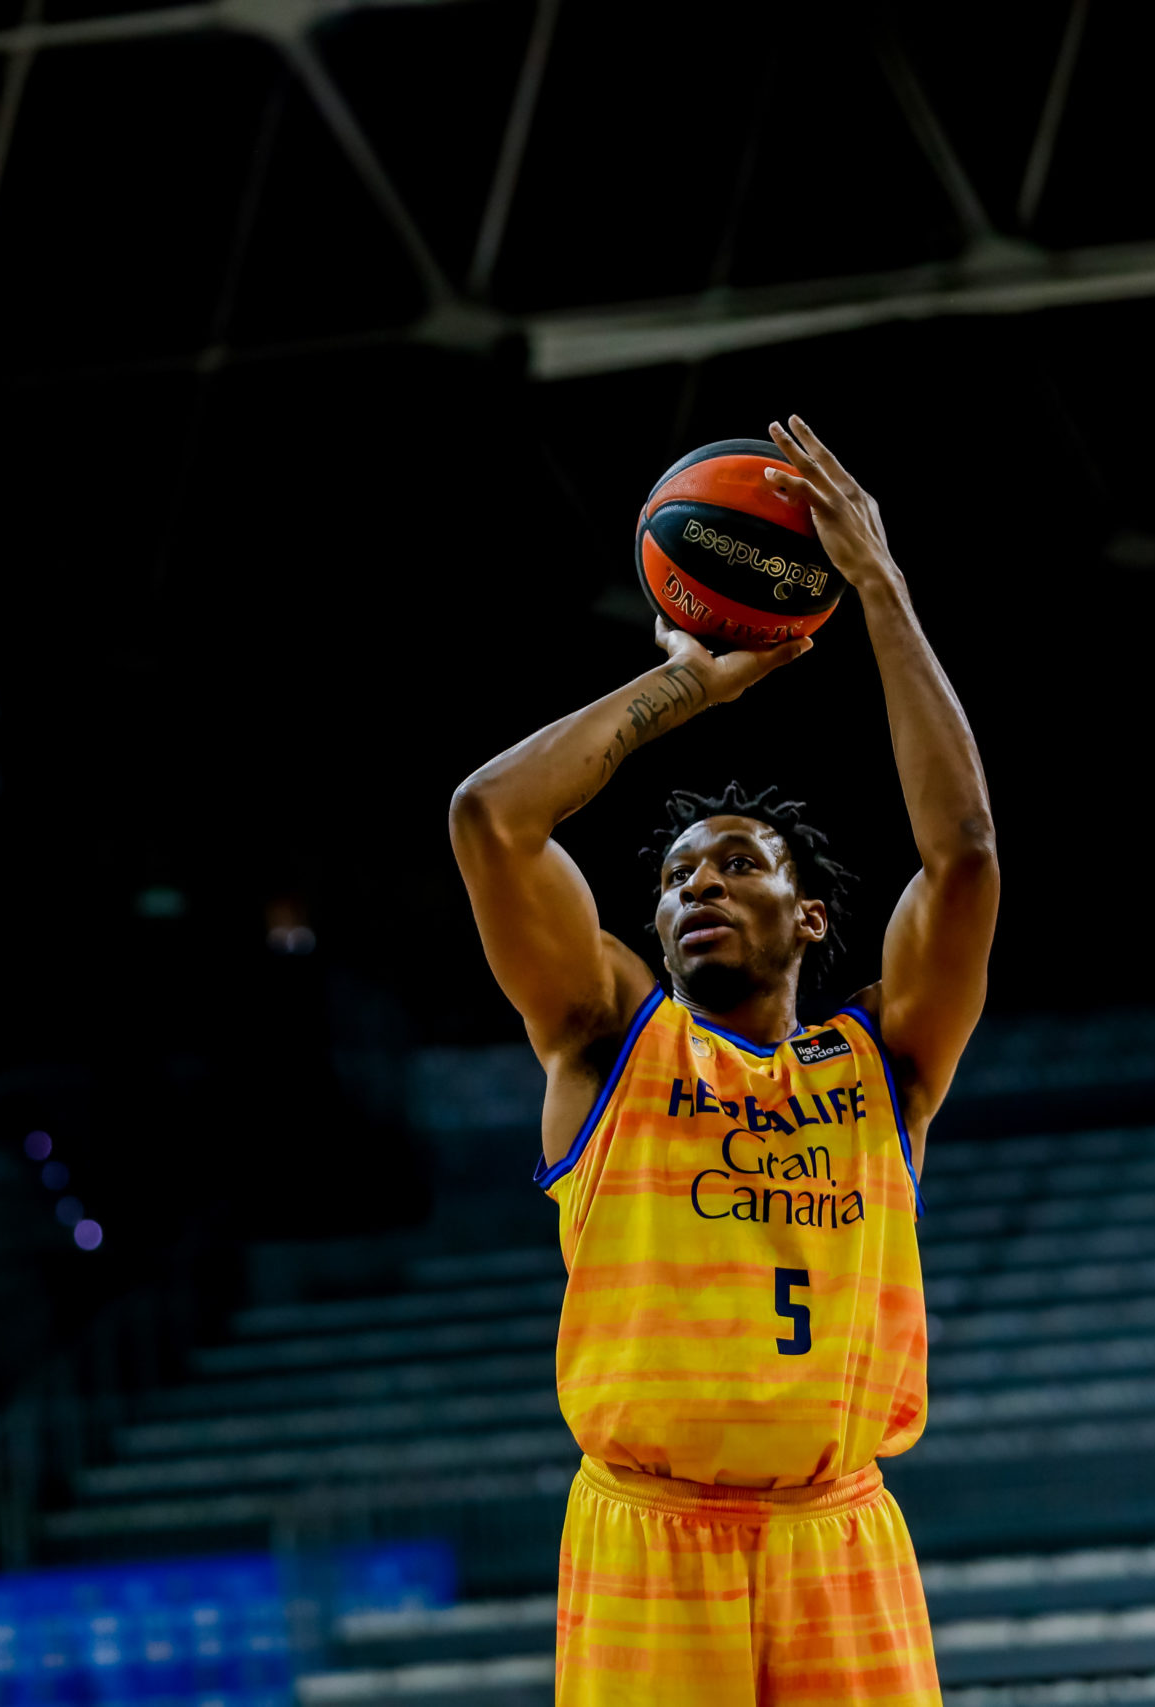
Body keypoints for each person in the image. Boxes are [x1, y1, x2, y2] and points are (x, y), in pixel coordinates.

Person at [449, 416, 996, 1705]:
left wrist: (878, 587)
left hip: (837, 1531)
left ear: (808, 919)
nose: (697, 885)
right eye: (677, 877)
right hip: (648, 1532)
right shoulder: (605, 1038)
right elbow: (491, 818)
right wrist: (689, 687)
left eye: (737, 864)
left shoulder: (887, 1062)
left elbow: (964, 853)